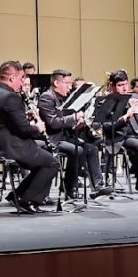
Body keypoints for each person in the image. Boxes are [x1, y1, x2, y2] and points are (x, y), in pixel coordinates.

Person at [0, 60, 58, 213]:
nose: (23, 82)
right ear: (11, 78)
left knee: (44, 159)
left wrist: (24, 118)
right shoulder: (11, 97)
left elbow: (7, 122)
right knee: (52, 163)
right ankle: (28, 200)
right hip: (12, 147)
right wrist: (37, 127)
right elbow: (23, 130)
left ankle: (17, 195)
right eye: (21, 78)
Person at [37, 69, 112, 200]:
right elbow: (53, 123)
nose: (70, 86)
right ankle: (69, 187)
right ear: (56, 83)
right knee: (77, 150)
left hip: (65, 136)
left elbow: (64, 121)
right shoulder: (47, 97)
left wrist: (79, 123)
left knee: (91, 149)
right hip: (52, 138)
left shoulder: (64, 98)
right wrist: (74, 117)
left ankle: (97, 187)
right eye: (67, 83)